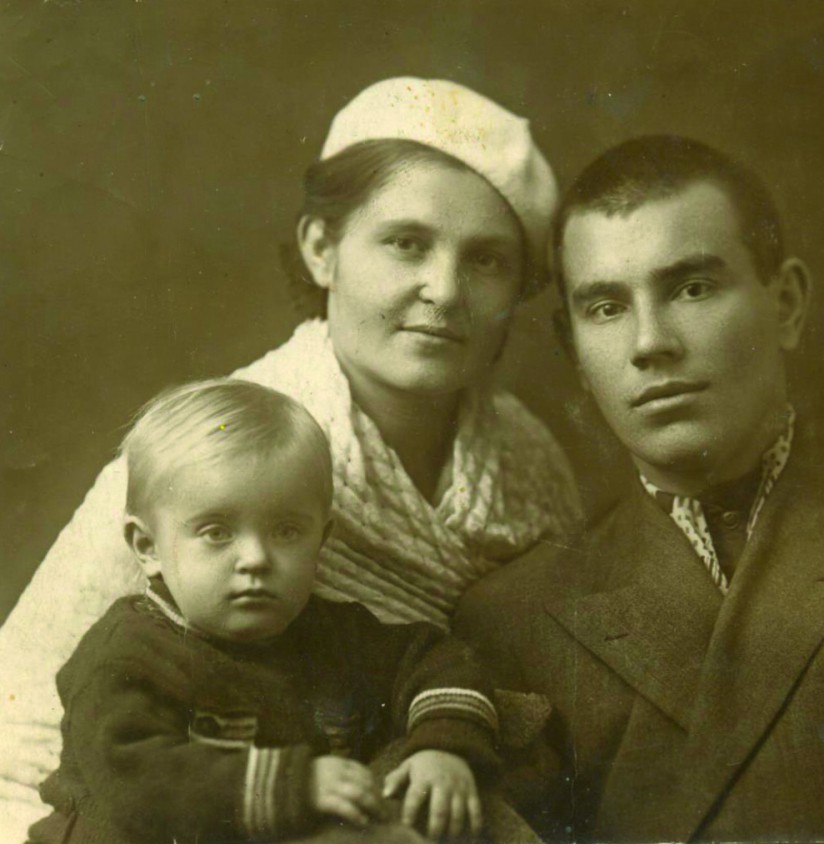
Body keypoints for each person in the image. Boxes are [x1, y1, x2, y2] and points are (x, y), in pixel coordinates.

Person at [0, 77, 580, 838]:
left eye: (487, 261)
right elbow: (20, 722)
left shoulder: (530, 464)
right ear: (322, 248)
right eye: (406, 243)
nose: (443, 289)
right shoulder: (220, 449)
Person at [454, 135, 824, 841]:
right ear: (573, 349)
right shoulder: (515, 618)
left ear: (785, 304)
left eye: (692, 289)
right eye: (606, 307)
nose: (650, 343)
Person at [29, 379, 500, 844]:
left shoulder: (334, 635)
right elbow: (132, 781)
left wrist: (443, 748)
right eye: (216, 532)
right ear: (147, 547)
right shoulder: (130, 653)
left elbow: (435, 659)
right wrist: (299, 785)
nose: (255, 558)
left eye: (287, 531)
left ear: (323, 539)